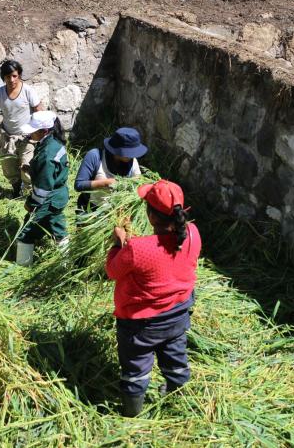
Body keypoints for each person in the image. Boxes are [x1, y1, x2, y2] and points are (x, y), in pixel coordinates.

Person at [105, 180, 201, 417]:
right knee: (175, 357)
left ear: (150, 216)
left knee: (136, 367)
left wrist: (119, 243)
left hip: (140, 325)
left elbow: (112, 271)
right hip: (178, 314)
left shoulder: (138, 248)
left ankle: (132, 415)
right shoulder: (191, 233)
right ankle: (176, 398)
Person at [0, 59, 47, 198]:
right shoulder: (0, 93)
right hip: (8, 137)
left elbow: (39, 110)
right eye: (8, 77)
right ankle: (16, 190)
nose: (12, 80)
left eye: (14, 76)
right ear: (3, 77)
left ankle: (29, 195)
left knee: (27, 167)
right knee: (9, 168)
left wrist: (43, 130)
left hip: (28, 137)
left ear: (19, 75)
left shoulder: (27, 91)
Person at [16, 111, 69, 266]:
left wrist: (31, 204)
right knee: (56, 226)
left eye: (33, 131)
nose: (30, 134)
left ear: (44, 131)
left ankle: (22, 266)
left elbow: (44, 187)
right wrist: (31, 168)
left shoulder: (47, 153)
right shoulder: (51, 142)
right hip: (58, 195)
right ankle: (67, 263)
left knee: (27, 231)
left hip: (49, 197)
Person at [74, 127, 147, 212]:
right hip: (91, 208)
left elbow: (138, 185)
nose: (132, 155)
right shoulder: (95, 156)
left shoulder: (133, 162)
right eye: (130, 153)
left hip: (117, 211)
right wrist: (105, 183)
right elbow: (78, 185)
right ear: (118, 150)